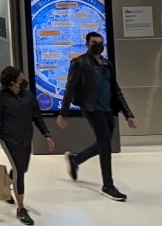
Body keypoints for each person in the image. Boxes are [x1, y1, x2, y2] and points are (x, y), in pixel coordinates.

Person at [57, 31, 136, 202]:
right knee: (105, 144)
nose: (98, 45)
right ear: (87, 44)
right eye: (94, 42)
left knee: (104, 142)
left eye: (100, 42)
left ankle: (76, 159)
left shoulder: (107, 64)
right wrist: (63, 113)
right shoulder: (79, 63)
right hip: (92, 108)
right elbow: (70, 88)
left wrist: (127, 113)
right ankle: (108, 185)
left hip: (108, 109)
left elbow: (116, 90)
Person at [0, 66, 54, 225]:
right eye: (21, 78)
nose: (24, 80)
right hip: (9, 138)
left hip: (26, 138)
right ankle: (21, 209)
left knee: (22, 169)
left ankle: (6, 186)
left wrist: (46, 134)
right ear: (12, 83)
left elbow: (37, 116)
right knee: (19, 170)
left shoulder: (28, 96)